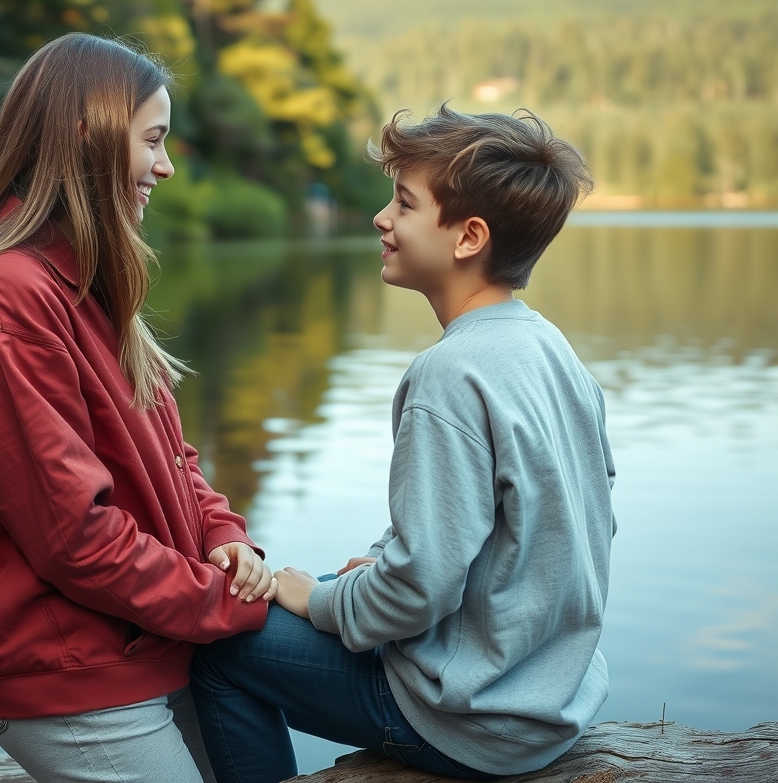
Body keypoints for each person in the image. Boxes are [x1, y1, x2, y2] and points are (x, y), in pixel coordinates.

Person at [190, 104, 616, 783]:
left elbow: (418, 593)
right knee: (337, 585)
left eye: (405, 204)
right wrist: (381, 567)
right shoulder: (550, 349)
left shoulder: (449, 375)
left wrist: (322, 601)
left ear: (467, 237)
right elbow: (545, 529)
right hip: (551, 695)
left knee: (217, 646)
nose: (381, 219)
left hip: (473, 718)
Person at [0, 33, 276, 783]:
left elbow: (175, 461)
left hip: (157, 644)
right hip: (76, 683)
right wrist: (227, 604)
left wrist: (224, 536)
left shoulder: (86, 282)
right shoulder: (4, 299)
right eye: (153, 141)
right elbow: (74, 536)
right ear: (88, 135)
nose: (167, 166)